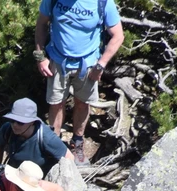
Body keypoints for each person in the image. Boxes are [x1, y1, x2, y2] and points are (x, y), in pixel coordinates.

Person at [35, 0, 125, 165]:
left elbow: (118, 35)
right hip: (57, 60)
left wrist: (101, 64)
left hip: (88, 65)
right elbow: (41, 24)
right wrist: (40, 57)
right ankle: (53, 145)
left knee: (83, 103)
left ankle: (77, 143)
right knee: (56, 104)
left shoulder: (102, 3)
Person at [0, 97, 74, 175]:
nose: (15, 125)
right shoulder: (7, 129)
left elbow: (69, 158)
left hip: (39, 181)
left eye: (20, 122)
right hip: (14, 175)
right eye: (12, 120)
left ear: (32, 122)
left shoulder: (46, 137)